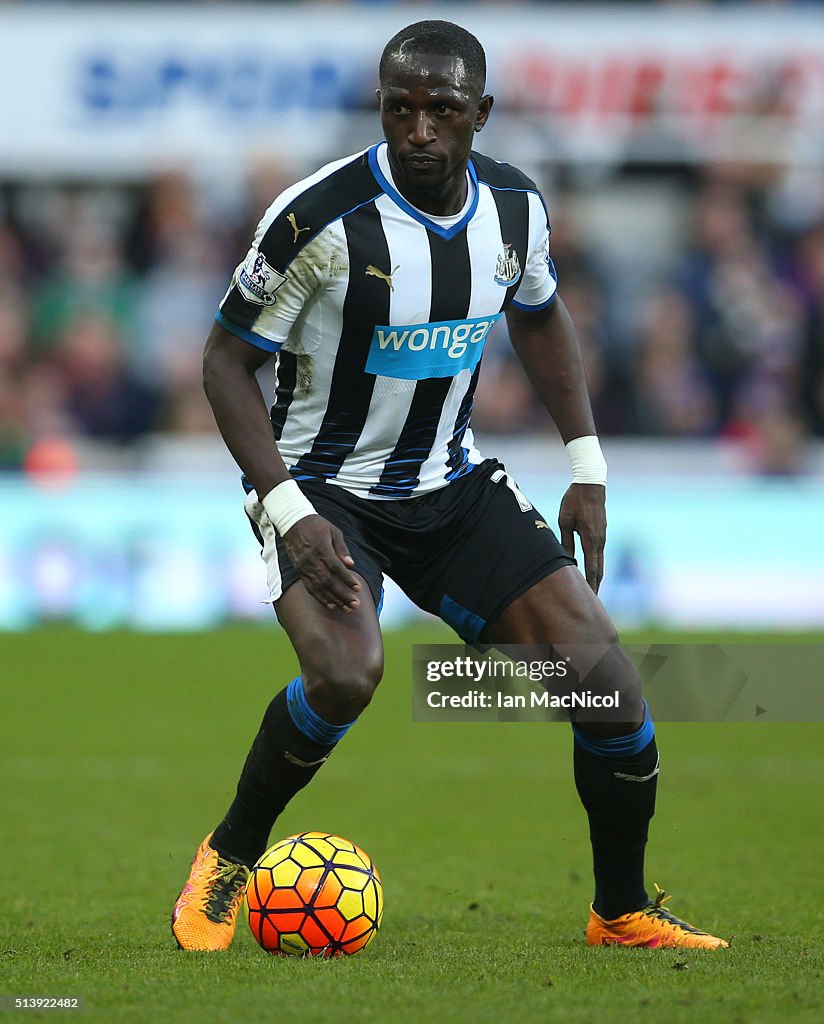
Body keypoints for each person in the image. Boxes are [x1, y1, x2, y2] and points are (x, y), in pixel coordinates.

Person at [171, 20, 727, 952]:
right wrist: (286, 508)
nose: (419, 128)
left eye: (441, 110)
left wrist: (586, 465)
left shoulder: (515, 208)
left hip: (452, 483)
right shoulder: (317, 217)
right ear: (381, 107)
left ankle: (621, 911)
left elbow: (543, 320)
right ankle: (228, 859)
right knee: (348, 673)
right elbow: (226, 364)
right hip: (326, 491)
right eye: (400, 108)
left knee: (610, 693)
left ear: (482, 114)